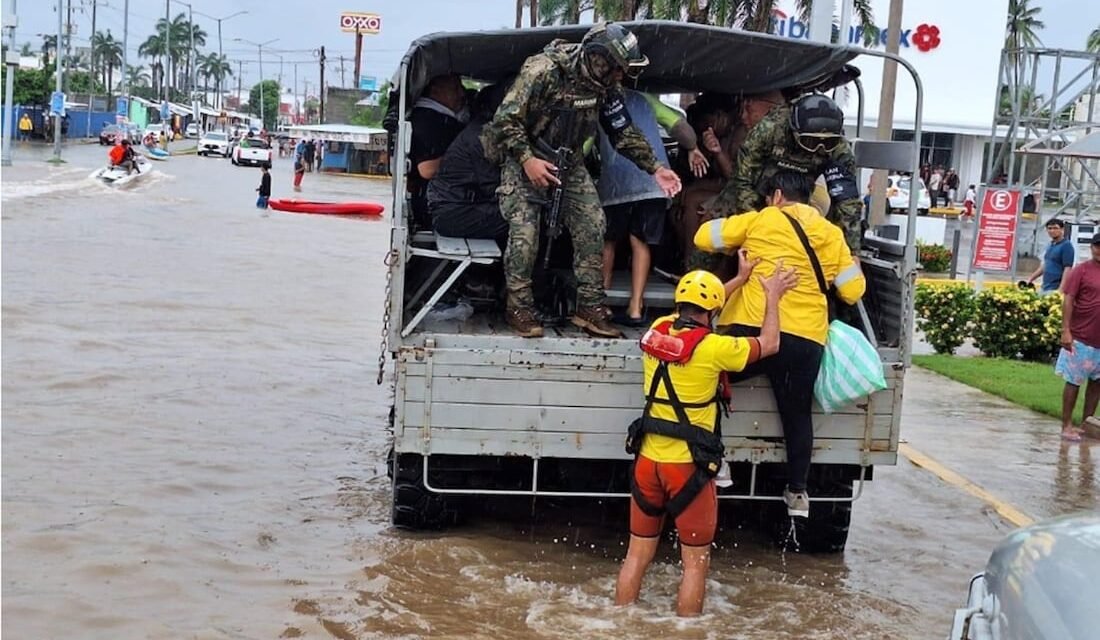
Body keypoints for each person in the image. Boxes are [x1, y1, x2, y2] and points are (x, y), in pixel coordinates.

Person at [481, 22, 682, 339]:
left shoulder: (605, 85)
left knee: (593, 224)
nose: (621, 77)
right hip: (525, 158)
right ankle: (518, 306)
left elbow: (622, 131)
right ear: (599, 58)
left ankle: (589, 307)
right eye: (618, 69)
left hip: (569, 163)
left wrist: (655, 167)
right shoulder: (543, 70)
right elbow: (505, 121)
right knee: (525, 233)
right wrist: (527, 159)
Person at [615, 266, 794, 617]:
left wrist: (739, 280)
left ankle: (619, 625)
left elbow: (698, 307)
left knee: (636, 555)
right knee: (695, 564)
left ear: (678, 304)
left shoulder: (655, 332)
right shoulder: (716, 348)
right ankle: (688, 631)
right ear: (712, 311)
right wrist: (772, 296)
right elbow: (771, 343)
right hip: (688, 471)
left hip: (647, 463)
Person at [694, 171, 866, 517]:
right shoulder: (831, 234)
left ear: (775, 195)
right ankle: (798, 493)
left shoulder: (762, 219)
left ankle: (718, 462)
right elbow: (852, 290)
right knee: (797, 411)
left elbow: (703, 237)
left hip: (754, 330)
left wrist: (734, 236)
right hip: (805, 339)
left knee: (709, 383)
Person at [597, 90, 705, 326]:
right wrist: (693, 147)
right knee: (640, 242)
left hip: (617, 182)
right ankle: (636, 308)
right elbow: (678, 125)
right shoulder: (645, 98)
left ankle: (600, 305)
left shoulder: (599, 99)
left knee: (608, 241)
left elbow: (583, 142)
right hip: (655, 181)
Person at [706, 93, 864, 252]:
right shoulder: (770, 130)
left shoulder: (838, 149)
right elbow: (742, 179)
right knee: (714, 236)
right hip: (751, 191)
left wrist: (852, 252)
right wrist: (758, 221)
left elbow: (847, 201)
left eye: (827, 143)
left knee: (790, 249)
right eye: (810, 142)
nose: (819, 148)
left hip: (795, 201)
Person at [427, 82, 511, 240]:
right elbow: (493, 186)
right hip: (455, 214)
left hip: (455, 207)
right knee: (524, 220)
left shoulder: (480, 130)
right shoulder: (481, 138)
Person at [409, 74, 469, 229]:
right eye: (455, 88)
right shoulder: (428, 120)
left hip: (438, 200)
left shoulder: (444, 118)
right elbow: (427, 169)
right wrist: (466, 158)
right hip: (437, 204)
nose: (462, 94)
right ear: (434, 90)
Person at [1056, 236, 1100, 442]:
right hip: (1080, 337)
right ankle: (1067, 424)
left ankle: (1085, 423)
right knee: (1074, 381)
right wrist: (1066, 330)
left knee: (1097, 384)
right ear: (1091, 248)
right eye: (1097, 246)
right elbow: (1069, 299)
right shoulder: (1081, 270)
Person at [1026, 218, 1075, 295]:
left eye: (1055, 228)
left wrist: (1061, 290)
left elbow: (1068, 268)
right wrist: (1031, 279)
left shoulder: (1066, 246)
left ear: (1062, 229)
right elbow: (1046, 264)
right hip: (1045, 287)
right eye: (1049, 228)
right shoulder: (1050, 245)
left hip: (1055, 288)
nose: (1052, 231)